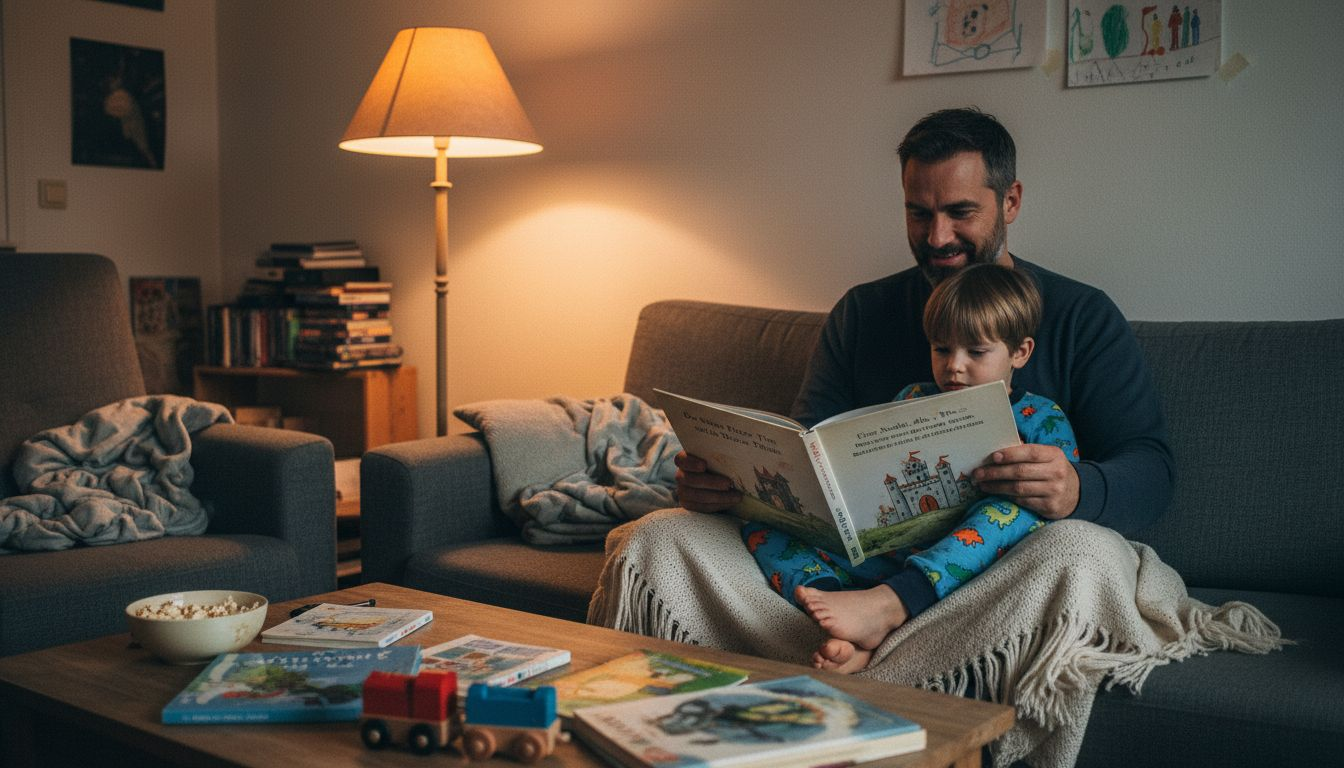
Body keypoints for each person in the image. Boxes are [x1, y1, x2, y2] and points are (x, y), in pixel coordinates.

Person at [673, 107, 1174, 670]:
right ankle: (843, 630)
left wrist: (1076, 487)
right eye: (919, 213)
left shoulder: (1083, 316)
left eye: (960, 212)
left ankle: (892, 630)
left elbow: (1152, 470)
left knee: (1077, 551)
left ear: (1010, 201)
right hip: (864, 564)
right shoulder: (862, 313)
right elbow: (809, 448)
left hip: (1001, 573)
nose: (938, 237)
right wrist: (731, 486)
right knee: (668, 535)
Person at [744, 263, 1080, 673]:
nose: (955, 366)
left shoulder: (1040, 416)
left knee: (1013, 511)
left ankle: (893, 604)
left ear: (1020, 352)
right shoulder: (911, 397)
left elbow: (1054, 495)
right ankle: (840, 610)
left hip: (967, 560)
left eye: (976, 352)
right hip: (885, 552)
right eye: (942, 349)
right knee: (763, 523)